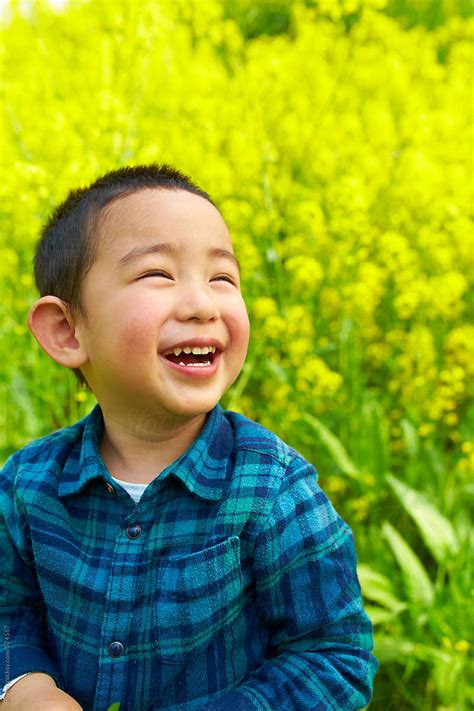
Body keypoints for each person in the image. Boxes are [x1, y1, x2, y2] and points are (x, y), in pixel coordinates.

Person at [0, 164, 378, 710]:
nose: (203, 303)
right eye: (158, 274)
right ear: (66, 331)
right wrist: (23, 684)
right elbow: (8, 610)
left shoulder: (271, 488)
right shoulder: (27, 484)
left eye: (222, 278)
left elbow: (332, 657)